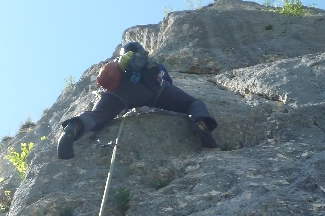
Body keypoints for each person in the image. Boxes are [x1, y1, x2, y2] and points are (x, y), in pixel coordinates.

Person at [58, 42, 218, 159]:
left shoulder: (118, 67)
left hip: (118, 93)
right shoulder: (150, 62)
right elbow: (167, 80)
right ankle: (200, 124)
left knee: (98, 115)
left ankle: (75, 126)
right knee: (193, 103)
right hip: (154, 92)